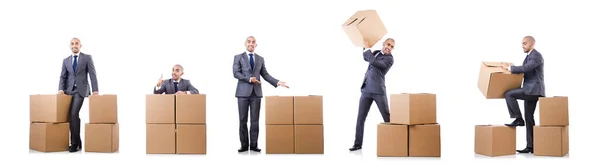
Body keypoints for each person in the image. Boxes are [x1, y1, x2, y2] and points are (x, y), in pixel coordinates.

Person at [232, 36, 289, 153]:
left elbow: (265, 74)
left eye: (253, 42)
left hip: (256, 94)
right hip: (242, 93)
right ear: (245, 44)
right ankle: (244, 145)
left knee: (255, 120)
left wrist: (277, 82)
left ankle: (253, 145)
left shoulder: (260, 59)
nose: (251, 44)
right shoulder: (238, 57)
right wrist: (249, 79)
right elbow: (236, 73)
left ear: (256, 45)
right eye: (249, 42)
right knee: (243, 120)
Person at [349, 38, 395, 151]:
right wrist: (365, 46)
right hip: (366, 90)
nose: (389, 47)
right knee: (360, 118)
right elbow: (366, 57)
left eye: (392, 46)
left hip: (378, 92)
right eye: (388, 44)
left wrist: (368, 49)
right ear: (383, 43)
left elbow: (375, 63)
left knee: (387, 117)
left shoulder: (389, 59)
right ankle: (357, 144)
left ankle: (396, 140)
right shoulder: (375, 53)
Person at [501, 36, 545, 154]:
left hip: (533, 90)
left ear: (532, 44)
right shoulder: (529, 57)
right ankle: (531, 147)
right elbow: (525, 71)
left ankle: (518, 118)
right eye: (522, 44)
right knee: (529, 118)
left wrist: (509, 68)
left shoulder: (536, 55)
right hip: (531, 90)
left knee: (509, 94)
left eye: (525, 43)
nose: (523, 46)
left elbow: (526, 68)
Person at [58, 37, 99, 152]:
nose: (74, 45)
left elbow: (92, 74)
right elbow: (63, 76)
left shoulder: (86, 58)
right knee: (72, 116)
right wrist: (61, 89)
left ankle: (74, 144)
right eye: (72, 44)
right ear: (70, 46)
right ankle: (79, 140)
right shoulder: (66, 60)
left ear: (80, 45)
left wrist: (95, 90)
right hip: (68, 91)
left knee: (73, 113)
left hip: (80, 91)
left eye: (76, 43)